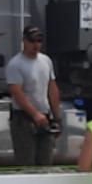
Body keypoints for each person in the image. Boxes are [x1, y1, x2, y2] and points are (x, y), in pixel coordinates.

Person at [6, 25, 61, 166]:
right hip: (23, 118)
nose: (36, 45)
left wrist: (56, 116)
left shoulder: (46, 61)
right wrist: (35, 114)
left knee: (45, 162)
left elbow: (51, 87)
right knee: (26, 164)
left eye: (39, 41)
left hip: (45, 116)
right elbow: (16, 92)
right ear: (24, 41)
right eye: (32, 41)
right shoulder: (15, 64)